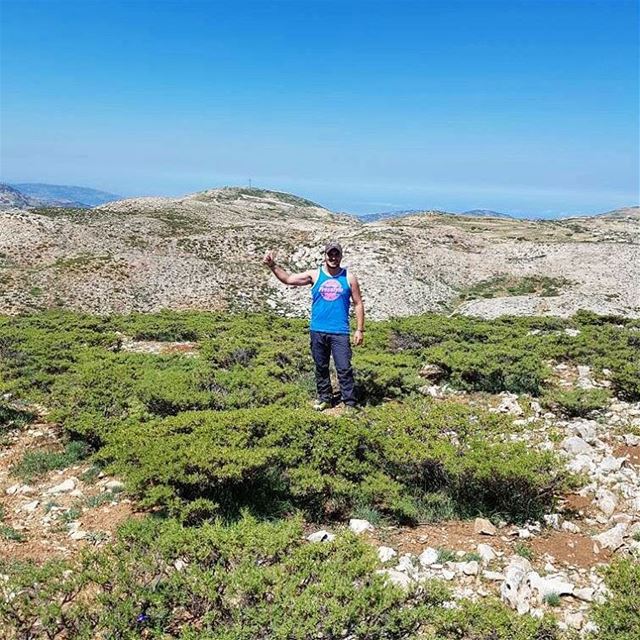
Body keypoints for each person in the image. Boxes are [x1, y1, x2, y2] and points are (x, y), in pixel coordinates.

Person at [263, 241, 365, 411]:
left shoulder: (349, 278)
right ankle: (325, 397)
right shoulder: (315, 275)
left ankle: (350, 403)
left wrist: (360, 329)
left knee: (344, 368)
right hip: (317, 330)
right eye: (330, 254)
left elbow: (358, 303)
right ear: (325, 256)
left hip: (340, 331)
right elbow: (288, 279)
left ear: (341, 256)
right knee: (321, 366)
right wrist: (272, 265)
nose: (333, 257)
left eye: (336, 254)